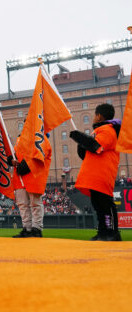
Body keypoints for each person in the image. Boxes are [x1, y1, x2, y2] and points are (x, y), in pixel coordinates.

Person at [70, 103, 122, 241]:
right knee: (98, 205)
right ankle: (103, 231)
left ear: (99, 116)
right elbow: (87, 153)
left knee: (105, 204)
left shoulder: (108, 130)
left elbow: (96, 147)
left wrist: (80, 138)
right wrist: (82, 143)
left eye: (94, 115)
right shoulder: (101, 131)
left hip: (102, 173)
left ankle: (112, 232)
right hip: (95, 174)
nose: (93, 117)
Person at [9, 133, 52, 238]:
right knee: (22, 204)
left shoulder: (40, 137)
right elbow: (13, 155)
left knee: (35, 203)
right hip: (19, 177)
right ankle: (27, 228)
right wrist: (11, 161)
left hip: (33, 175)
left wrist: (26, 165)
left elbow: (42, 153)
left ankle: (37, 228)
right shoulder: (19, 139)